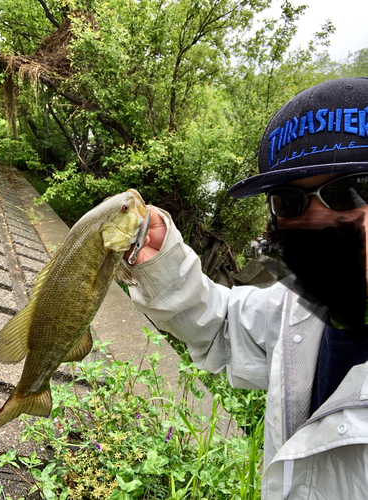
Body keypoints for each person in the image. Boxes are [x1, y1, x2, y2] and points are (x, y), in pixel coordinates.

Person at [126, 78, 368, 499]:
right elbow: (222, 325)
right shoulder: (300, 306)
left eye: (348, 191)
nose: (315, 221)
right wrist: (162, 258)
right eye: (290, 201)